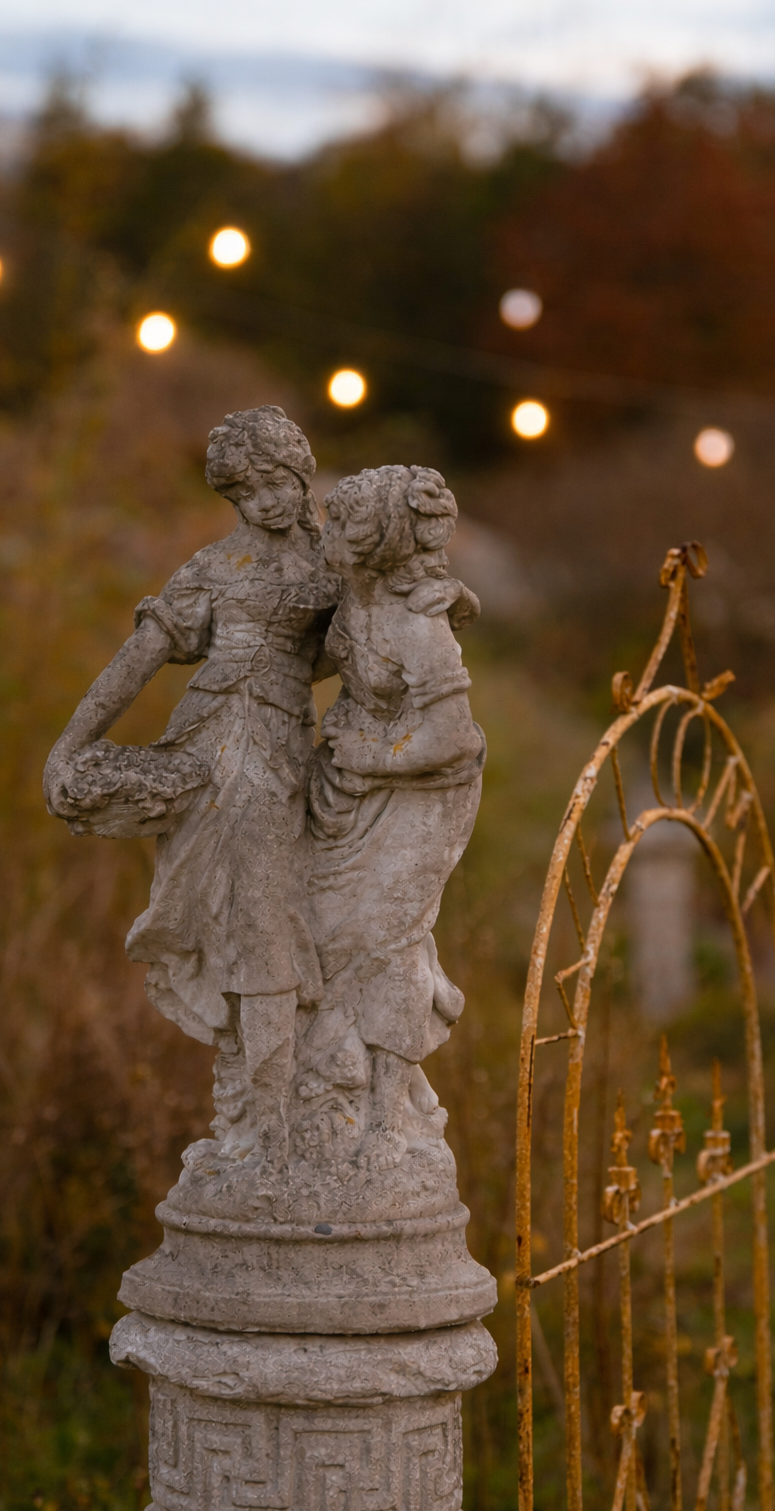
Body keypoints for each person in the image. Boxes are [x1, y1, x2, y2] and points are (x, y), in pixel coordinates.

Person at [44, 406, 338, 1196]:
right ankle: (254, 1127)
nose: (264, 502)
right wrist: (70, 744)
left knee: (264, 927)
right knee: (240, 928)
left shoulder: (339, 561)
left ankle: (268, 1130)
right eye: (244, 492)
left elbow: (389, 641)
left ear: (301, 474)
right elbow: (140, 656)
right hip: (210, 750)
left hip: (278, 756)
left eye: (274, 482)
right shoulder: (215, 568)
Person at [304, 464, 484, 1172]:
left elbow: (455, 738)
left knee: (386, 939)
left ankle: (386, 1119)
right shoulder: (357, 595)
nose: (330, 533)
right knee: (327, 938)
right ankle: (358, 1094)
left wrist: (374, 754)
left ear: (379, 538)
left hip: (422, 788)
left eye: (345, 524)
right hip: (349, 786)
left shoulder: (417, 624)